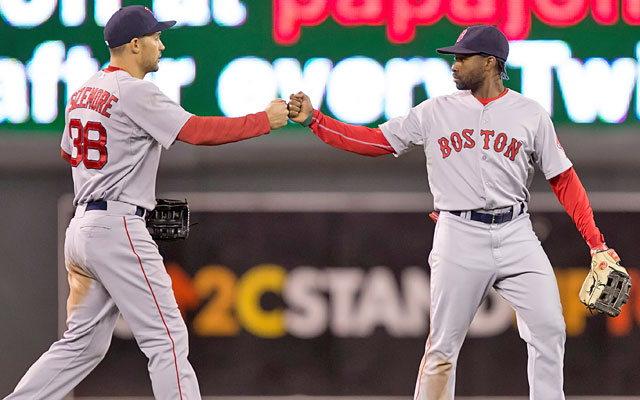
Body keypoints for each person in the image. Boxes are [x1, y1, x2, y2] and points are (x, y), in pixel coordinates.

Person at [288, 25, 618, 400]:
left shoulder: (530, 113)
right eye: (455, 57)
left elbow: (564, 179)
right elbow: (376, 142)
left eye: (463, 57)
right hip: (459, 234)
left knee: (550, 329)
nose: (454, 64)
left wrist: (596, 243)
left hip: (517, 233)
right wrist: (316, 121)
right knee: (442, 347)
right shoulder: (435, 111)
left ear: (491, 63)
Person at [4, 5, 288, 400]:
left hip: (83, 226)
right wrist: (262, 120)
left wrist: (124, 183)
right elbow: (197, 131)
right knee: (167, 337)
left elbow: (71, 153)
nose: (162, 44)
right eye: (155, 37)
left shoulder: (83, 90)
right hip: (117, 226)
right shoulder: (134, 91)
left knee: (82, 345)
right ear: (134, 45)